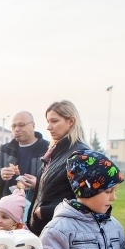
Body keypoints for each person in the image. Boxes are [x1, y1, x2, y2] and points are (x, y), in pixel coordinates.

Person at [27, 101, 90, 236]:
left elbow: (88, 202)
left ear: (71, 121)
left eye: (54, 121)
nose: (49, 127)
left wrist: (46, 211)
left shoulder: (81, 155)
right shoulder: (55, 152)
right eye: (48, 121)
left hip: (61, 233)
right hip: (45, 231)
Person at [0, 111, 49, 220]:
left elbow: (57, 183)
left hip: (35, 215)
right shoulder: (5, 150)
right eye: (14, 126)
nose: (17, 129)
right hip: (6, 217)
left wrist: (38, 184)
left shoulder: (48, 150)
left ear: (33, 125)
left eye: (21, 125)